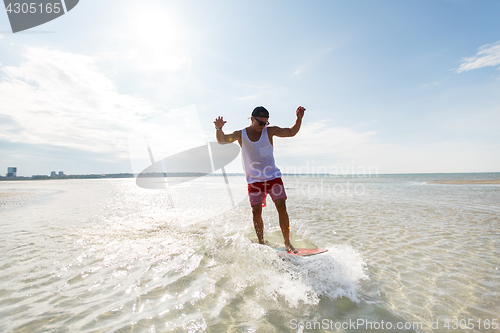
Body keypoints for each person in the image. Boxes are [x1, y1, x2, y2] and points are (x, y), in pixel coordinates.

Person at [214, 106, 306, 252]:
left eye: (266, 123)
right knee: (256, 211)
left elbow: (291, 132)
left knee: (281, 206)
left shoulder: (269, 131)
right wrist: (219, 129)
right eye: (260, 123)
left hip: (273, 177)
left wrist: (299, 118)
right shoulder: (241, 135)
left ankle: (287, 242)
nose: (263, 126)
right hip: (254, 180)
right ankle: (261, 242)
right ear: (252, 119)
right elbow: (223, 140)